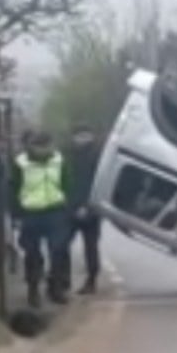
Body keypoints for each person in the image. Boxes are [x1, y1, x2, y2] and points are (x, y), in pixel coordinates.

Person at [9, 131, 72, 308]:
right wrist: (16, 215)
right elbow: (13, 189)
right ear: (31, 147)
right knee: (32, 254)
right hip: (31, 213)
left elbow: (67, 183)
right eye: (39, 146)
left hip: (55, 211)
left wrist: (67, 206)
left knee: (58, 250)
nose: (43, 150)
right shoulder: (21, 163)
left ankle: (56, 288)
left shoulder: (59, 160)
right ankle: (33, 289)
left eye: (47, 146)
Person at [65, 125, 103, 295]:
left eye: (85, 136)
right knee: (62, 245)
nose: (81, 139)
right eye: (79, 136)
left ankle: (91, 280)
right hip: (71, 208)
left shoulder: (96, 157)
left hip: (89, 208)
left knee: (90, 246)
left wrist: (86, 205)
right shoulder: (67, 156)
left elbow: (96, 183)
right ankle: (64, 280)